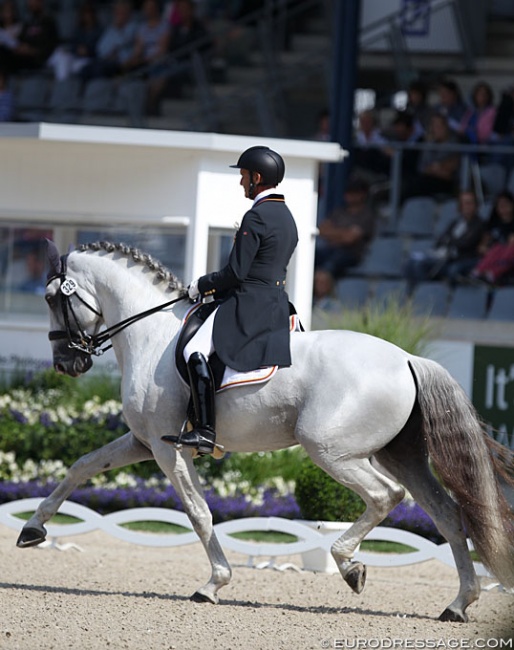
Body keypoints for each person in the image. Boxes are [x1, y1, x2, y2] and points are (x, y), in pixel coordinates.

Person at [162, 145, 298, 455]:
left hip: (249, 303)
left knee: (195, 349)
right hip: (276, 301)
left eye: (243, 176)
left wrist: (200, 285)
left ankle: (205, 431)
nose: (241, 182)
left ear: (257, 177)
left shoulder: (257, 216)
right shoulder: (286, 216)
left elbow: (236, 273)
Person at [403, 190, 485, 291]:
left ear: (476, 205)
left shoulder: (479, 224)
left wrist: (450, 242)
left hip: (461, 259)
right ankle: (412, 295)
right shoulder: (455, 223)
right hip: (444, 256)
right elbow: (441, 240)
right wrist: (450, 242)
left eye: (469, 203)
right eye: (463, 203)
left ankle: (426, 293)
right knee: (410, 263)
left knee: (420, 265)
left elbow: (466, 243)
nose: (466, 206)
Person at [315, 177, 378, 279]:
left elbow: (350, 239)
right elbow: (321, 230)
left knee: (330, 265)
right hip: (330, 250)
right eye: (348, 192)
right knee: (311, 257)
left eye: (355, 192)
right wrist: (343, 233)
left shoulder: (367, 215)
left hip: (351, 255)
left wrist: (333, 234)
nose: (350, 196)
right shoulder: (339, 212)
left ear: (363, 194)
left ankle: (323, 293)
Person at [402, 113, 461, 201]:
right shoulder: (429, 144)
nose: (435, 129)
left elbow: (450, 172)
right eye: (433, 126)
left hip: (446, 183)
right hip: (428, 179)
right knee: (409, 181)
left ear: (445, 127)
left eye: (438, 126)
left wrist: (436, 168)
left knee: (417, 185)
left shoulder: (454, 145)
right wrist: (437, 167)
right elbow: (422, 168)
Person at [80, 0, 138, 80]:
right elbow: (100, 47)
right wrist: (110, 52)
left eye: (121, 12)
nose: (118, 15)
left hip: (122, 62)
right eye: (117, 12)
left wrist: (118, 30)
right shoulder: (111, 29)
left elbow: (124, 42)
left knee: (99, 70)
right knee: (85, 69)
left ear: (128, 14)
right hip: (106, 60)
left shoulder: (133, 26)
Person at [0, 0, 58, 73]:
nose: (31, 3)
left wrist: (33, 51)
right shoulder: (28, 22)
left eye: (33, 1)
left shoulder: (48, 21)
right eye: (29, 1)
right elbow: (20, 41)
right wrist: (21, 47)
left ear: (41, 2)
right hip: (24, 56)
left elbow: (50, 45)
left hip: (39, 58)